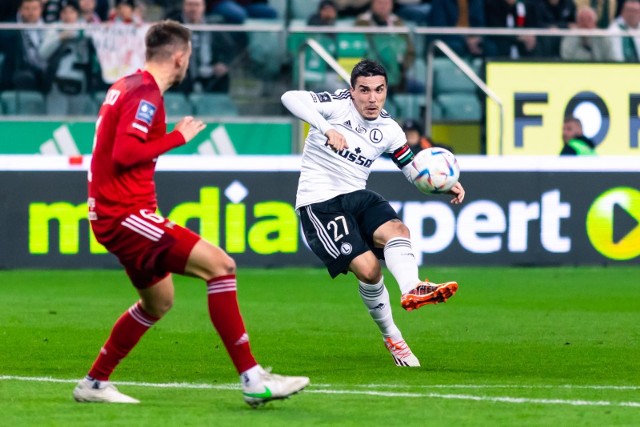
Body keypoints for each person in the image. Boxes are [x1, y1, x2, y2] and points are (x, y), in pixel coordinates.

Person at [73, 20, 309, 406]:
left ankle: (94, 383)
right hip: (125, 214)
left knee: (159, 301)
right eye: (189, 57)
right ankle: (252, 379)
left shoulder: (127, 86)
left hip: (118, 213)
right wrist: (176, 137)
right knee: (221, 266)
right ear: (180, 57)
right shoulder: (145, 94)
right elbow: (124, 153)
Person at [281, 59, 464, 367]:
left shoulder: (390, 129)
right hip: (319, 203)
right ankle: (393, 337)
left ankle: (412, 288)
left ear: (386, 91)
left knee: (398, 230)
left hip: (357, 195)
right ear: (352, 91)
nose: (372, 98)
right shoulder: (336, 106)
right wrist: (325, 128)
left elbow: (411, 170)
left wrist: (441, 186)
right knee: (369, 272)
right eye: (364, 90)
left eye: (379, 90)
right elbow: (289, 97)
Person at [165, 0, 236, 93]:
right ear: (183, 6)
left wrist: (223, 63)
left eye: (197, 5)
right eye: (189, 5)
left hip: (209, 70)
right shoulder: (172, 26)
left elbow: (229, 48)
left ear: (203, 7)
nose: (193, 9)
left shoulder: (213, 26)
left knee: (222, 76)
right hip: (184, 72)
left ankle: (217, 106)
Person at [39, 0, 92, 114]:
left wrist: (75, 32)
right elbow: (43, 53)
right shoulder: (54, 29)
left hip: (80, 83)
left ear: (77, 14)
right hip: (58, 82)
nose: (68, 16)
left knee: (76, 124)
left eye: (71, 12)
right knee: (56, 124)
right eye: (65, 12)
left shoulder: (85, 28)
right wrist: (60, 37)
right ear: (60, 14)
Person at [354, 0, 418, 93]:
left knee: (420, 88)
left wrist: (402, 68)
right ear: (372, 4)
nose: (383, 6)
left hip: (395, 72)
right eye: (380, 3)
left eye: (387, 3)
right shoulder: (361, 23)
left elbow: (410, 51)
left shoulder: (398, 23)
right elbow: (357, 49)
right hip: (369, 74)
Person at [0, 0, 48, 92]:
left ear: (41, 9)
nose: (31, 12)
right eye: (27, 8)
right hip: (15, 80)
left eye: (34, 8)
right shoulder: (7, 29)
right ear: (20, 10)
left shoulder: (49, 27)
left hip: (44, 78)